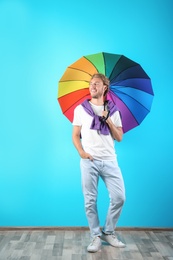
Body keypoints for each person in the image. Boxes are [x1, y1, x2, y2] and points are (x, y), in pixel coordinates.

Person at [72, 73, 125, 253]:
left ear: (105, 88)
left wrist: (108, 119)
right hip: (89, 161)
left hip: (110, 160)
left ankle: (108, 232)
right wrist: (82, 152)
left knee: (119, 198)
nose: (92, 86)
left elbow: (119, 137)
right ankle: (95, 236)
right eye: (90, 83)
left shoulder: (114, 110)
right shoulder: (80, 109)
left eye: (96, 83)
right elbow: (75, 135)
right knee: (90, 201)